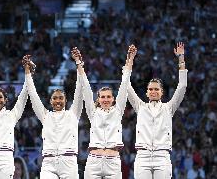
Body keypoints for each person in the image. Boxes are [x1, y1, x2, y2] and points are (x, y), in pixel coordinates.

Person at [127, 42, 187, 179]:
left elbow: (182, 85)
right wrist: (130, 59)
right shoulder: (140, 106)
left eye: (156, 89)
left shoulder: (168, 108)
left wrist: (181, 58)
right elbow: (127, 86)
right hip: (142, 157)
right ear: (147, 93)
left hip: (162, 157)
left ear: (162, 92)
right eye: (150, 89)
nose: (153, 91)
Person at [23, 49, 84, 179]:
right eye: (55, 98)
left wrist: (78, 62)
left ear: (66, 101)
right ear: (50, 101)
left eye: (60, 98)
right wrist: (27, 73)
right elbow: (33, 95)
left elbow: (79, 89)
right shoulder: (46, 116)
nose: (58, 101)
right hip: (48, 163)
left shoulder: (73, 113)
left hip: (69, 162)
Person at [79, 46, 136, 178]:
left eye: (108, 96)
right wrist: (79, 63)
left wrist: (130, 59)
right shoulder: (92, 112)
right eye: (102, 97)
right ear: (98, 99)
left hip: (113, 162)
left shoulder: (118, 111)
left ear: (113, 99)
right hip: (94, 161)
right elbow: (86, 89)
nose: (105, 99)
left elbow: (124, 84)